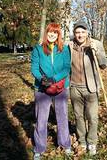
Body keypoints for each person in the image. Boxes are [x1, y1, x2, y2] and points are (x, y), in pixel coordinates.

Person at [31, 23, 71, 160]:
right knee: (41, 119)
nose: (52, 34)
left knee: (62, 116)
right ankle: (39, 148)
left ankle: (65, 144)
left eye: (55, 32)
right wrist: (42, 79)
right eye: (50, 32)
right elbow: (34, 68)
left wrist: (54, 79)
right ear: (46, 33)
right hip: (42, 89)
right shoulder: (38, 49)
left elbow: (66, 68)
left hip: (61, 87)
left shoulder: (64, 49)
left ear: (58, 34)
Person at [68, 21, 107, 155]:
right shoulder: (69, 45)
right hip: (74, 86)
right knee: (78, 116)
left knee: (92, 117)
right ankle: (82, 141)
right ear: (74, 34)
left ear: (87, 33)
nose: (80, 35)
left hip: (91, 87)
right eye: (77, 32)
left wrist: (97, 53)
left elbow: (103, 65)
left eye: (82, 32)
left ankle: (92, 142)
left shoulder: (95, 44)